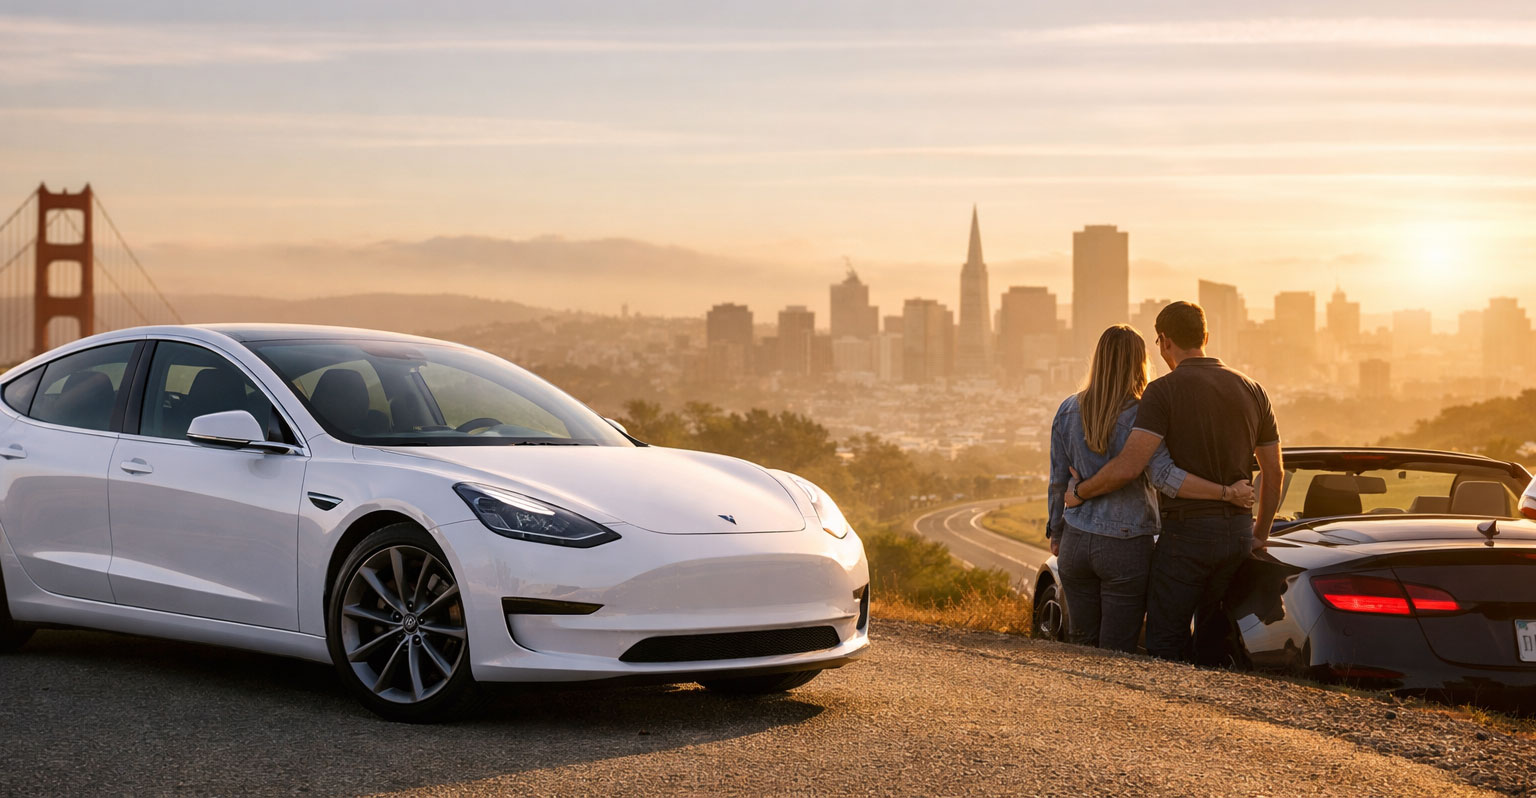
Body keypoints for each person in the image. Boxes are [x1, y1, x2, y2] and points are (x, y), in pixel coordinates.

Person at [1066, 302, 1282, 664]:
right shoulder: (1253, 389)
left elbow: (1131, 466)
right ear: (1206, 337)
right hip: (1238, 535)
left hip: (1187, 537)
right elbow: (1274, 471)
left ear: (1164, 342)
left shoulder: (1162, 392)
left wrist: (1079, 492)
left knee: (1166, 638)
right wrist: (1261, 532)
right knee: (1214, 635)